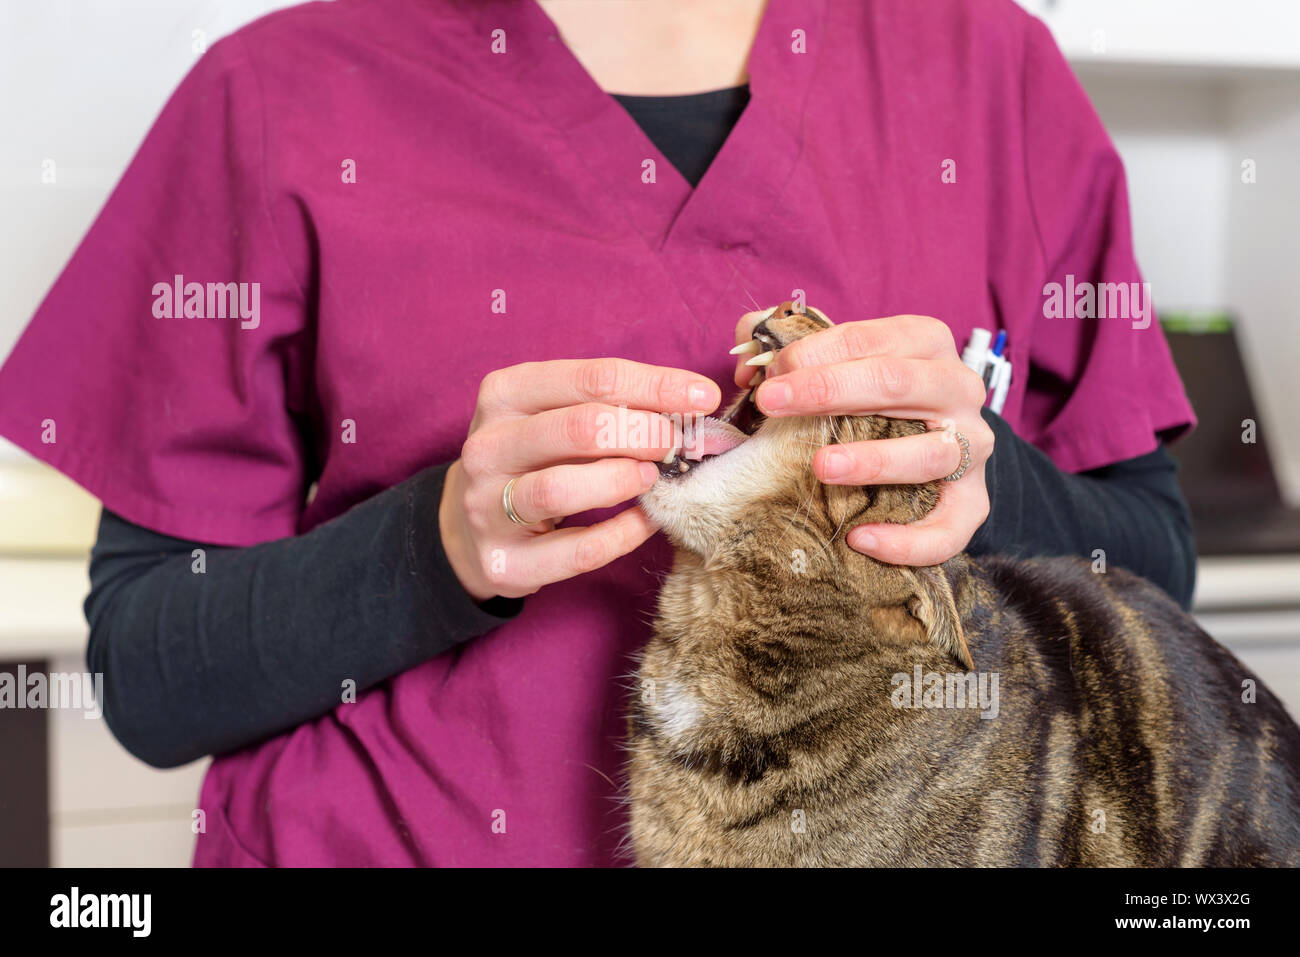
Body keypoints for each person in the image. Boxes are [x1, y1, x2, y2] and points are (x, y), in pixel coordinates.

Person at [0, 0, 1196, 866]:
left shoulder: (994, 71)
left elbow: (1154, 581)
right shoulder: (274, 93)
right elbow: (149, 678)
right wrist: (441, 546)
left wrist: (965, 457)